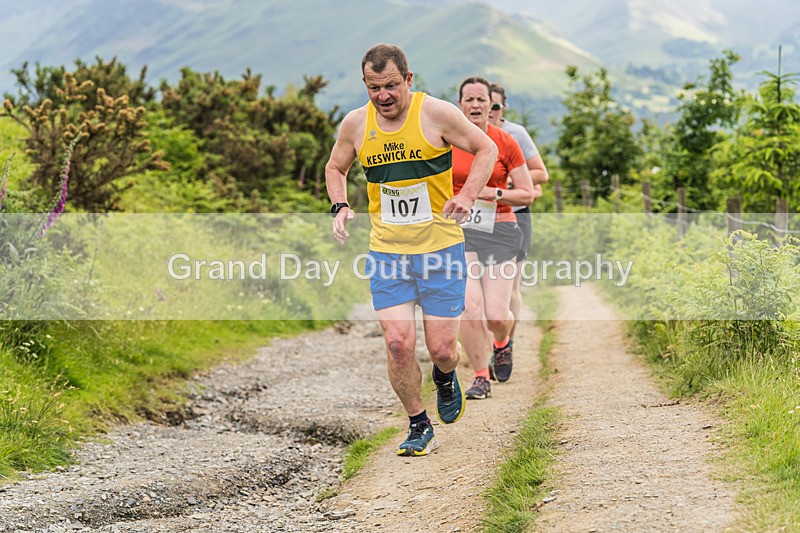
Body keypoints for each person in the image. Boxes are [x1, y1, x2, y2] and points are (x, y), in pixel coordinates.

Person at [325, 44, 497, 457]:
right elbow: (336, 167)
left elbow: (485, 149)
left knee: (441, 350)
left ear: (408, 80)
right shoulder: (355, 124)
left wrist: (469, 195)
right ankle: (419, 424)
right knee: (399, 343)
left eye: (390, 86)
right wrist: (340, 204)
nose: (382, 95)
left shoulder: (435, 114)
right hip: (387, 253)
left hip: (440, 250)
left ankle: (443, 375)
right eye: (373, 87)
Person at [451, 77, 533, 398]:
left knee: (497, 315)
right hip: (460, 232)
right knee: (470, 307)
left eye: (481, 100)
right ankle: (480, 377)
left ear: (491, 105)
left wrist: (493, 193)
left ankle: (502, 342)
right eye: (468, 99)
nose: (474, 105)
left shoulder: (505, 142)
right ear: (459, 105)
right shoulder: (447, 142)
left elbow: (527, 193)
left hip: (500, 231)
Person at [488, 83, 549, 375]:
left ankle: (504, 345)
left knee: (511, 285)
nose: (490, 110)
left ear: (503, 107)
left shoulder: (516, 134)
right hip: (479, 220)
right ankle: (491, 344)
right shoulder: (464, 132)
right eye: (487, 104)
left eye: (496, 106)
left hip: (515, 215)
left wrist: (509, 182)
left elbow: (540, 174)